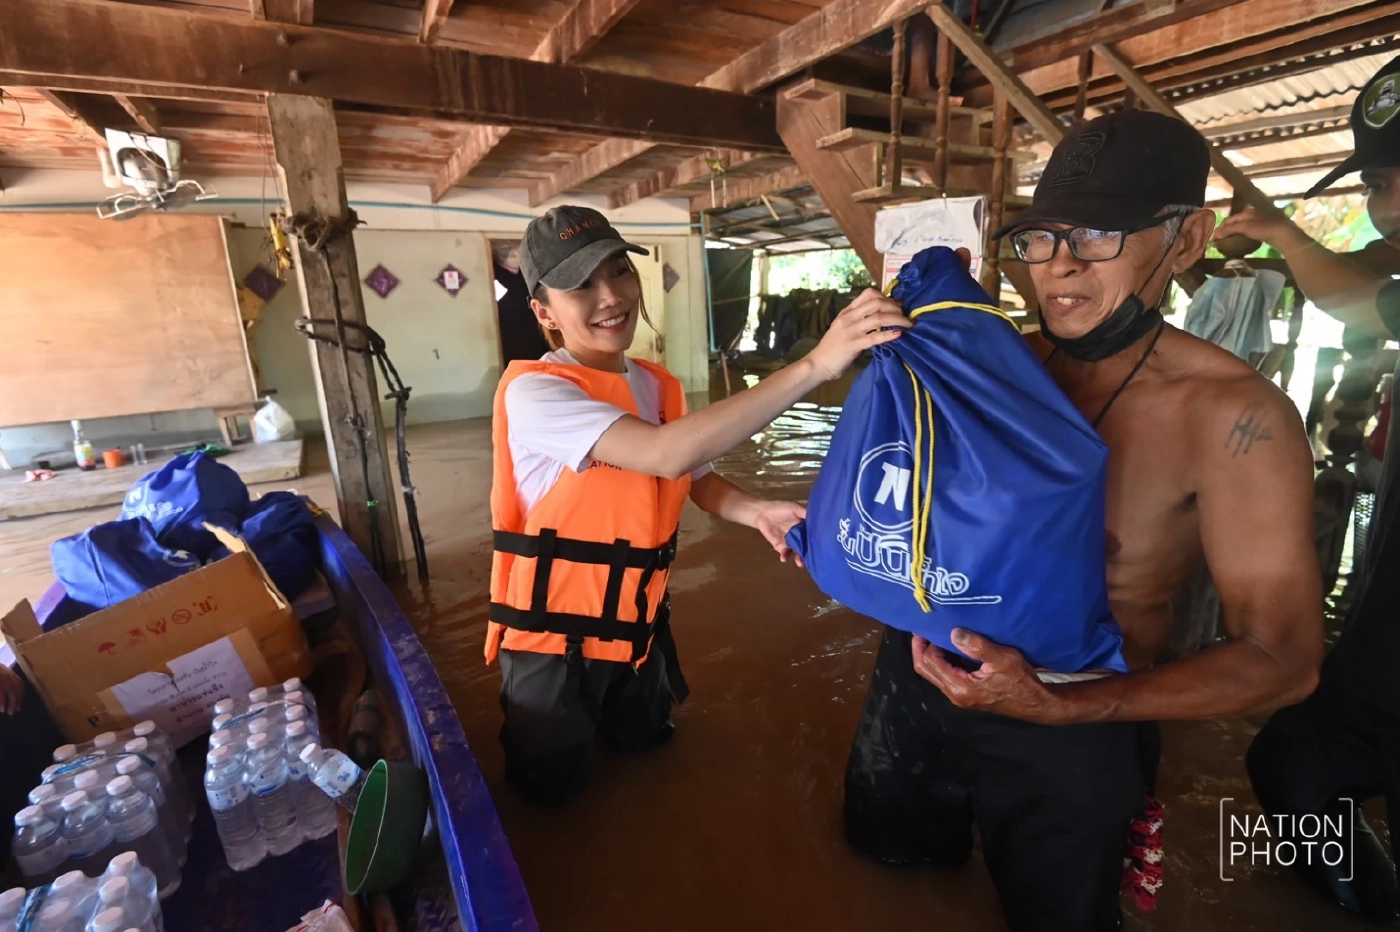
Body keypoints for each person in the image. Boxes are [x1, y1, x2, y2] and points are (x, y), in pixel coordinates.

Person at [841, 110, 1324, 931]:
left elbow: (1285, 659)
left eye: (1099, 234)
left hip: (1076, 710)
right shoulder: (992, 365)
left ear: (1187, 238)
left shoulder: (1236, 418)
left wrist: (1064, 708)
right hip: (918, 672)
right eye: (1041, 237)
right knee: (885, 870)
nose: (1060, 264)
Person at [486, 205, 910, 804]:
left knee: (651, 752)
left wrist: (755, 510)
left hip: (639, 627)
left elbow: (694, 477)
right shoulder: (536, 393)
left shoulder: (653, 384)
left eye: (618, 270)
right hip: (554, 647)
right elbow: (667, 453)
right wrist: (815, 365)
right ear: (544, 312)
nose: (610, 296)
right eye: (580, 285)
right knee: (549, 796)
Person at [1215, 54, 1400, 920]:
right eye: (1376, 183)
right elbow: (1365, 277)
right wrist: (1281, 241)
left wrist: (1286, 238)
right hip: (1382, 641)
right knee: (1294, 761)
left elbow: (1362, 302)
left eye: (1392, 181)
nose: (1383, 204)